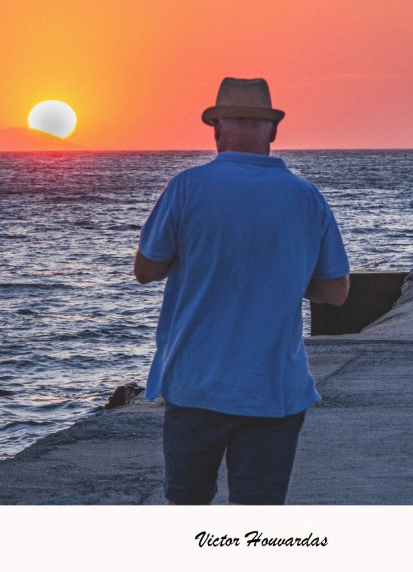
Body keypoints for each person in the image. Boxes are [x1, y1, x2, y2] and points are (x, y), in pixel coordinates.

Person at [133, 77, 351, 504]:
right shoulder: (307, 197)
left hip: (196, 385)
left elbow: (146, 270)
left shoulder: (186, 188)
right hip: (275, 389)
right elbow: (337, 291)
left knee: (187, 506)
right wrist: (281, 275)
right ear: (273, 130)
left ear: (216, 129)